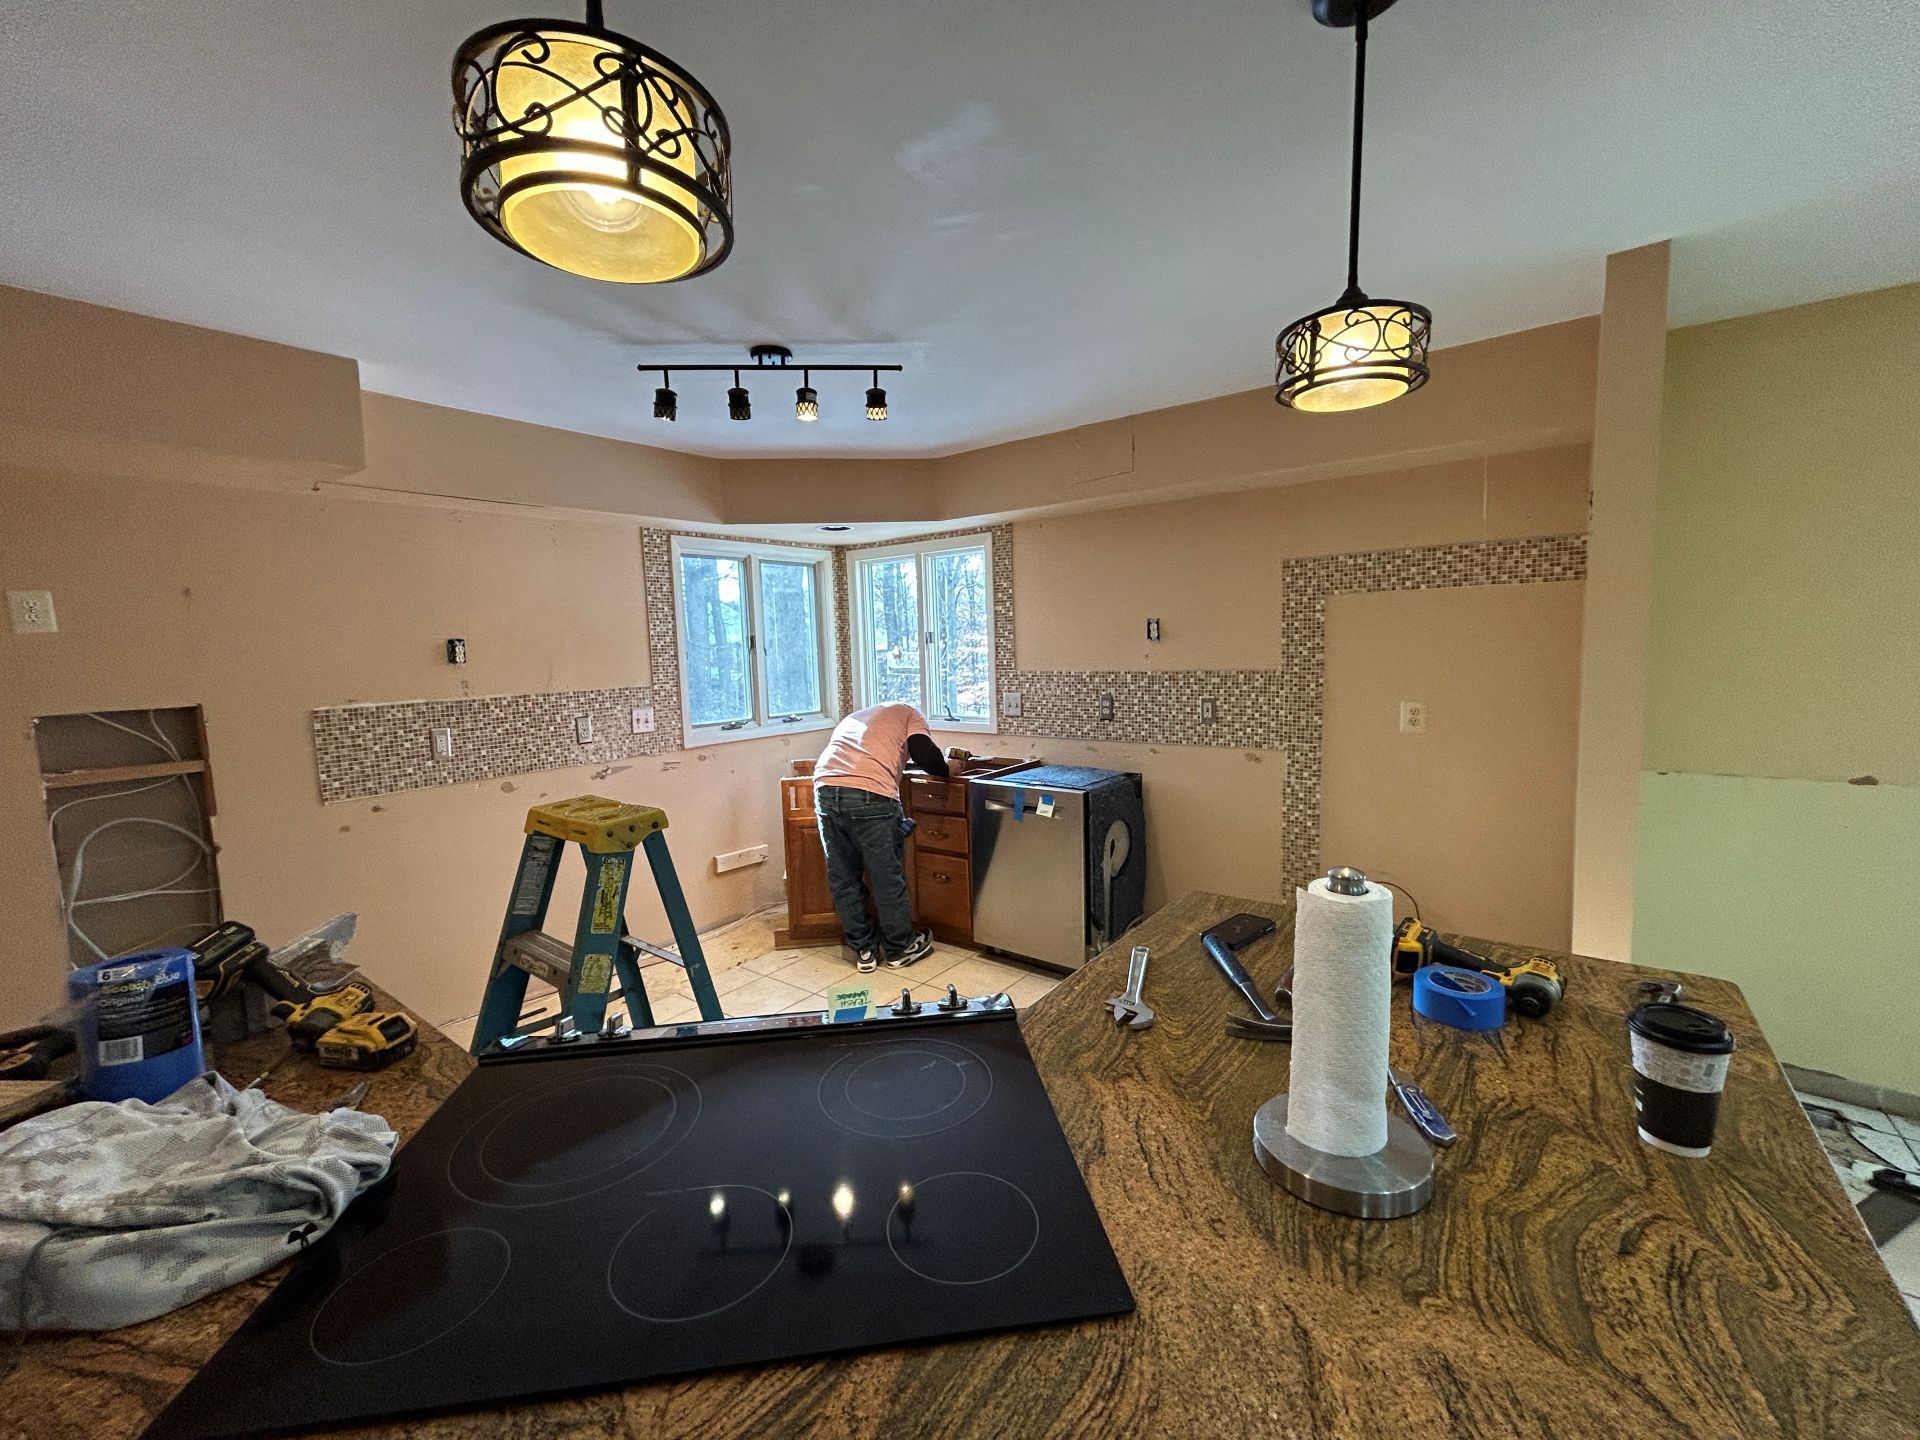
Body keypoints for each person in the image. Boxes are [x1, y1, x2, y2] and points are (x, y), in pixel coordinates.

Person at [812, 702, 954, 973]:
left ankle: (864, 949)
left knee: (843, 877)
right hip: (871, 795)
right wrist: (949, 768)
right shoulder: (910, 714)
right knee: (886, 876)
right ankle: (899, 948)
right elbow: (926, 755)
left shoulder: (857, 717)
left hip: (826, 789)